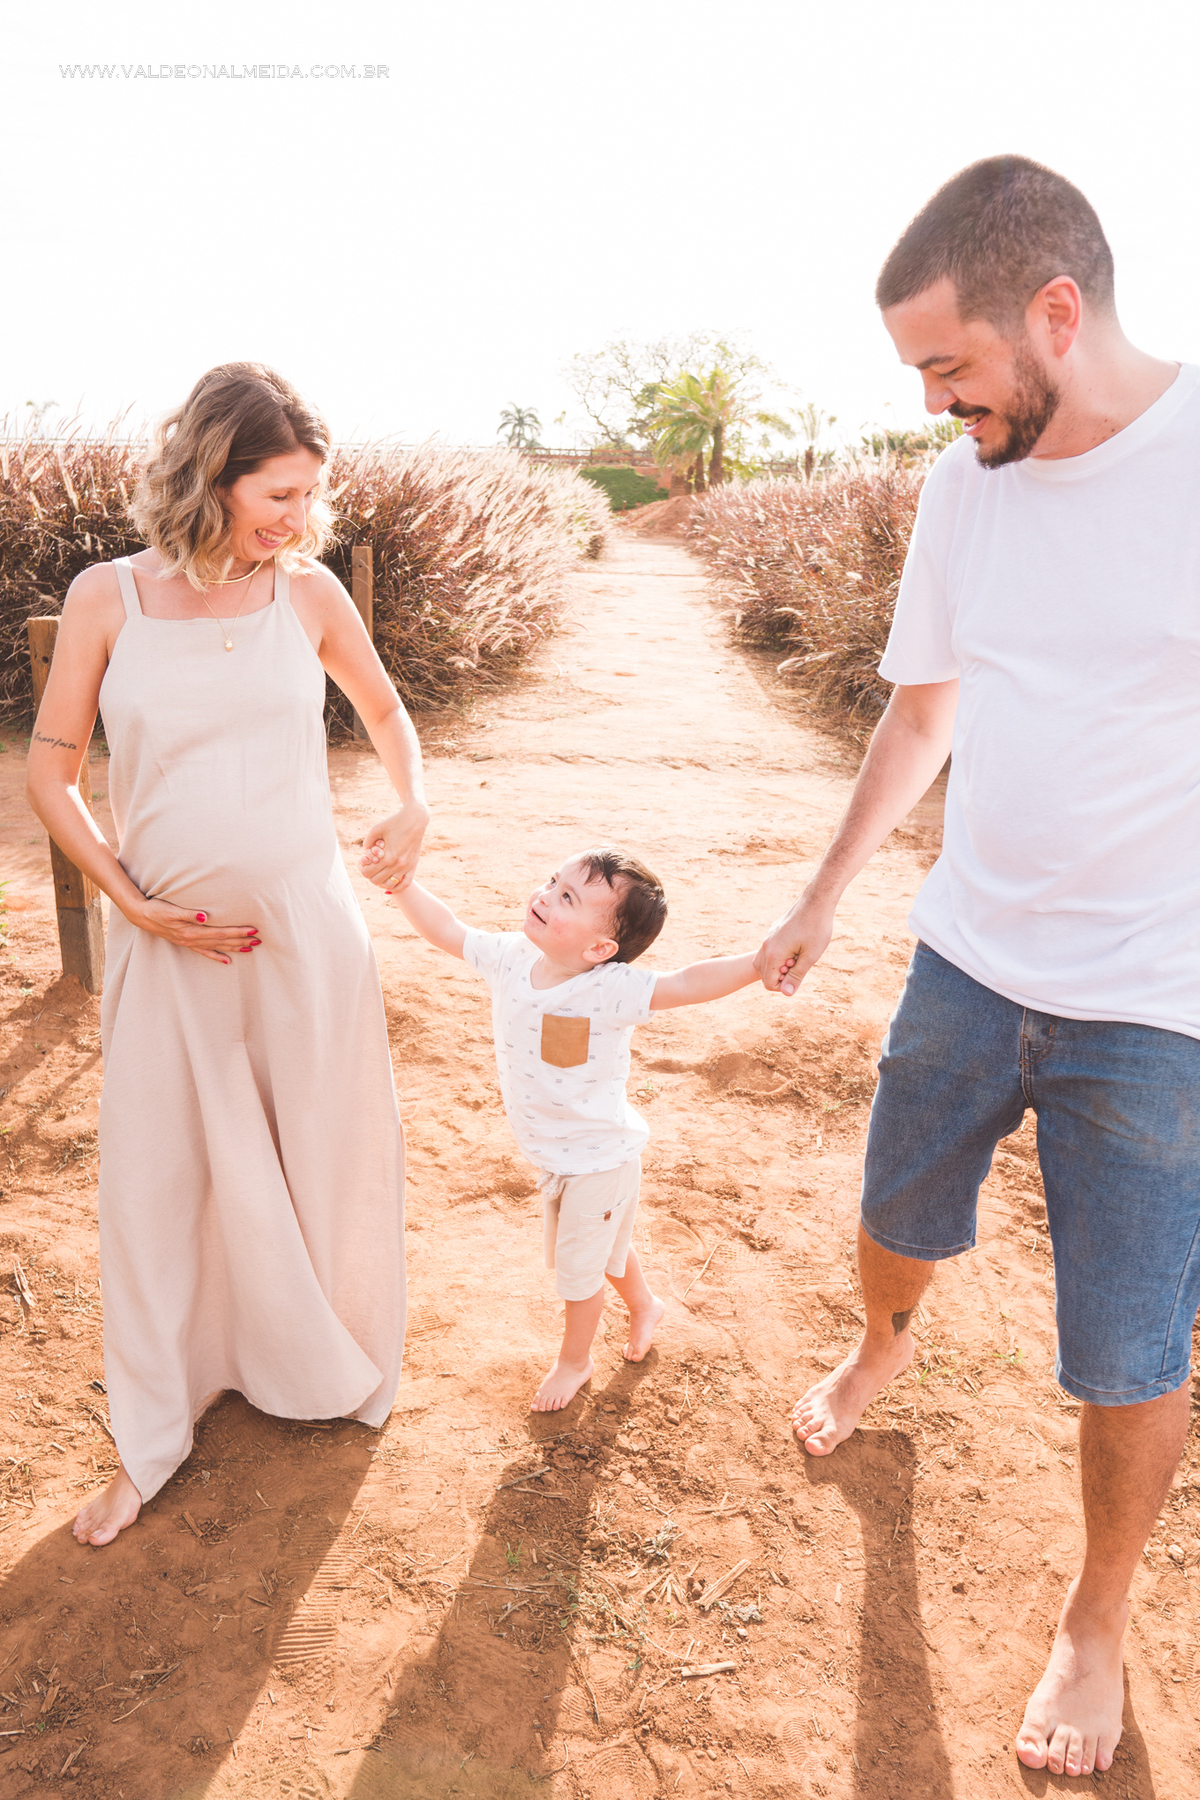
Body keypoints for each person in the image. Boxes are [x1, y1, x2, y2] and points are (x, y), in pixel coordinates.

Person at [755, 156, 1195, 1781]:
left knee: (1133, 1344)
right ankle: (885, 1343)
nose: (937, 404)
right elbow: (923, 709)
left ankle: (1096, 1616)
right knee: (891, 1211)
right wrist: (819, 898)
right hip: (970, 952)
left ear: (1058, 314)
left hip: (1160, 1000)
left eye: (951, 367)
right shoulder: (966, 487)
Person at [26, 363, 428, 1546]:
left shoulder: (305, 596)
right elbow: (50, 771)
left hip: (308, 937)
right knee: (158, 1183)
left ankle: (316, 1356)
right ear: (212, 475)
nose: (298, 518)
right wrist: (130, 906)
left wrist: (416, 805)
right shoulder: (108, 596)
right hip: (169, 947)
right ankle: (155, 1430)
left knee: (323, 1151)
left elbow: (389, 713)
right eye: (277, 493)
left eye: (310, 495)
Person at [388, 847, 757, 1409]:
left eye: (567, 898)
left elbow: (687, 983)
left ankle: (574, 1362)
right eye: (552, 881)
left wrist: (758, 964)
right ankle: (645, 1305)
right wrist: (402, 885)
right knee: (601, 1250)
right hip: (560, 1158)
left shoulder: (608, 988)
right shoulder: (512, 956)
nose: (544, 894)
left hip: (598, 1161)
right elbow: (447, 929)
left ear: (600, 948)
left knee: (578, 1273)